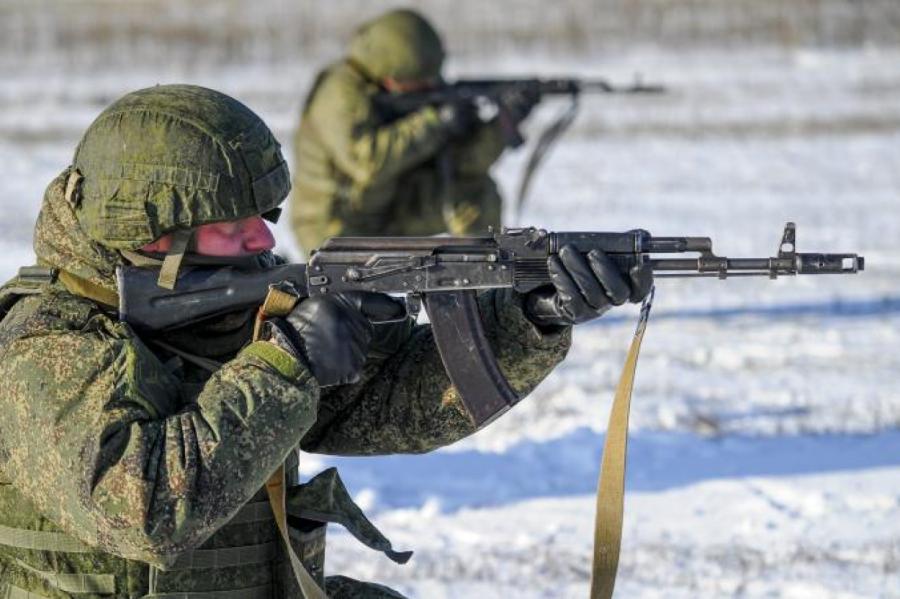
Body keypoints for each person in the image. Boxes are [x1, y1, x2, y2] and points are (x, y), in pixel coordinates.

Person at [0, 84, 651, 598]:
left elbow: (388, 405)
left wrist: (529, 316)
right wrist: (286, 364)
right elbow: (142, 511)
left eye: (265, 217)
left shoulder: (227, 300)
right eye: (232, 226)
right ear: (150, 237)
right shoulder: (44, 343)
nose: (262, 241)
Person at [290, 8, 539, 254]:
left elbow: (464, 164)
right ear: (390, 74)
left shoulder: (413, 93)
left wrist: (501, 125)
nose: (428, 87)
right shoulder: (339, 93)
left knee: (475, 192)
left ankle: (482, 283)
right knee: (358, 294)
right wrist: (433, 122)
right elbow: (366, 163)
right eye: (417, 82)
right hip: (335, 227)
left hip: (391, 209)